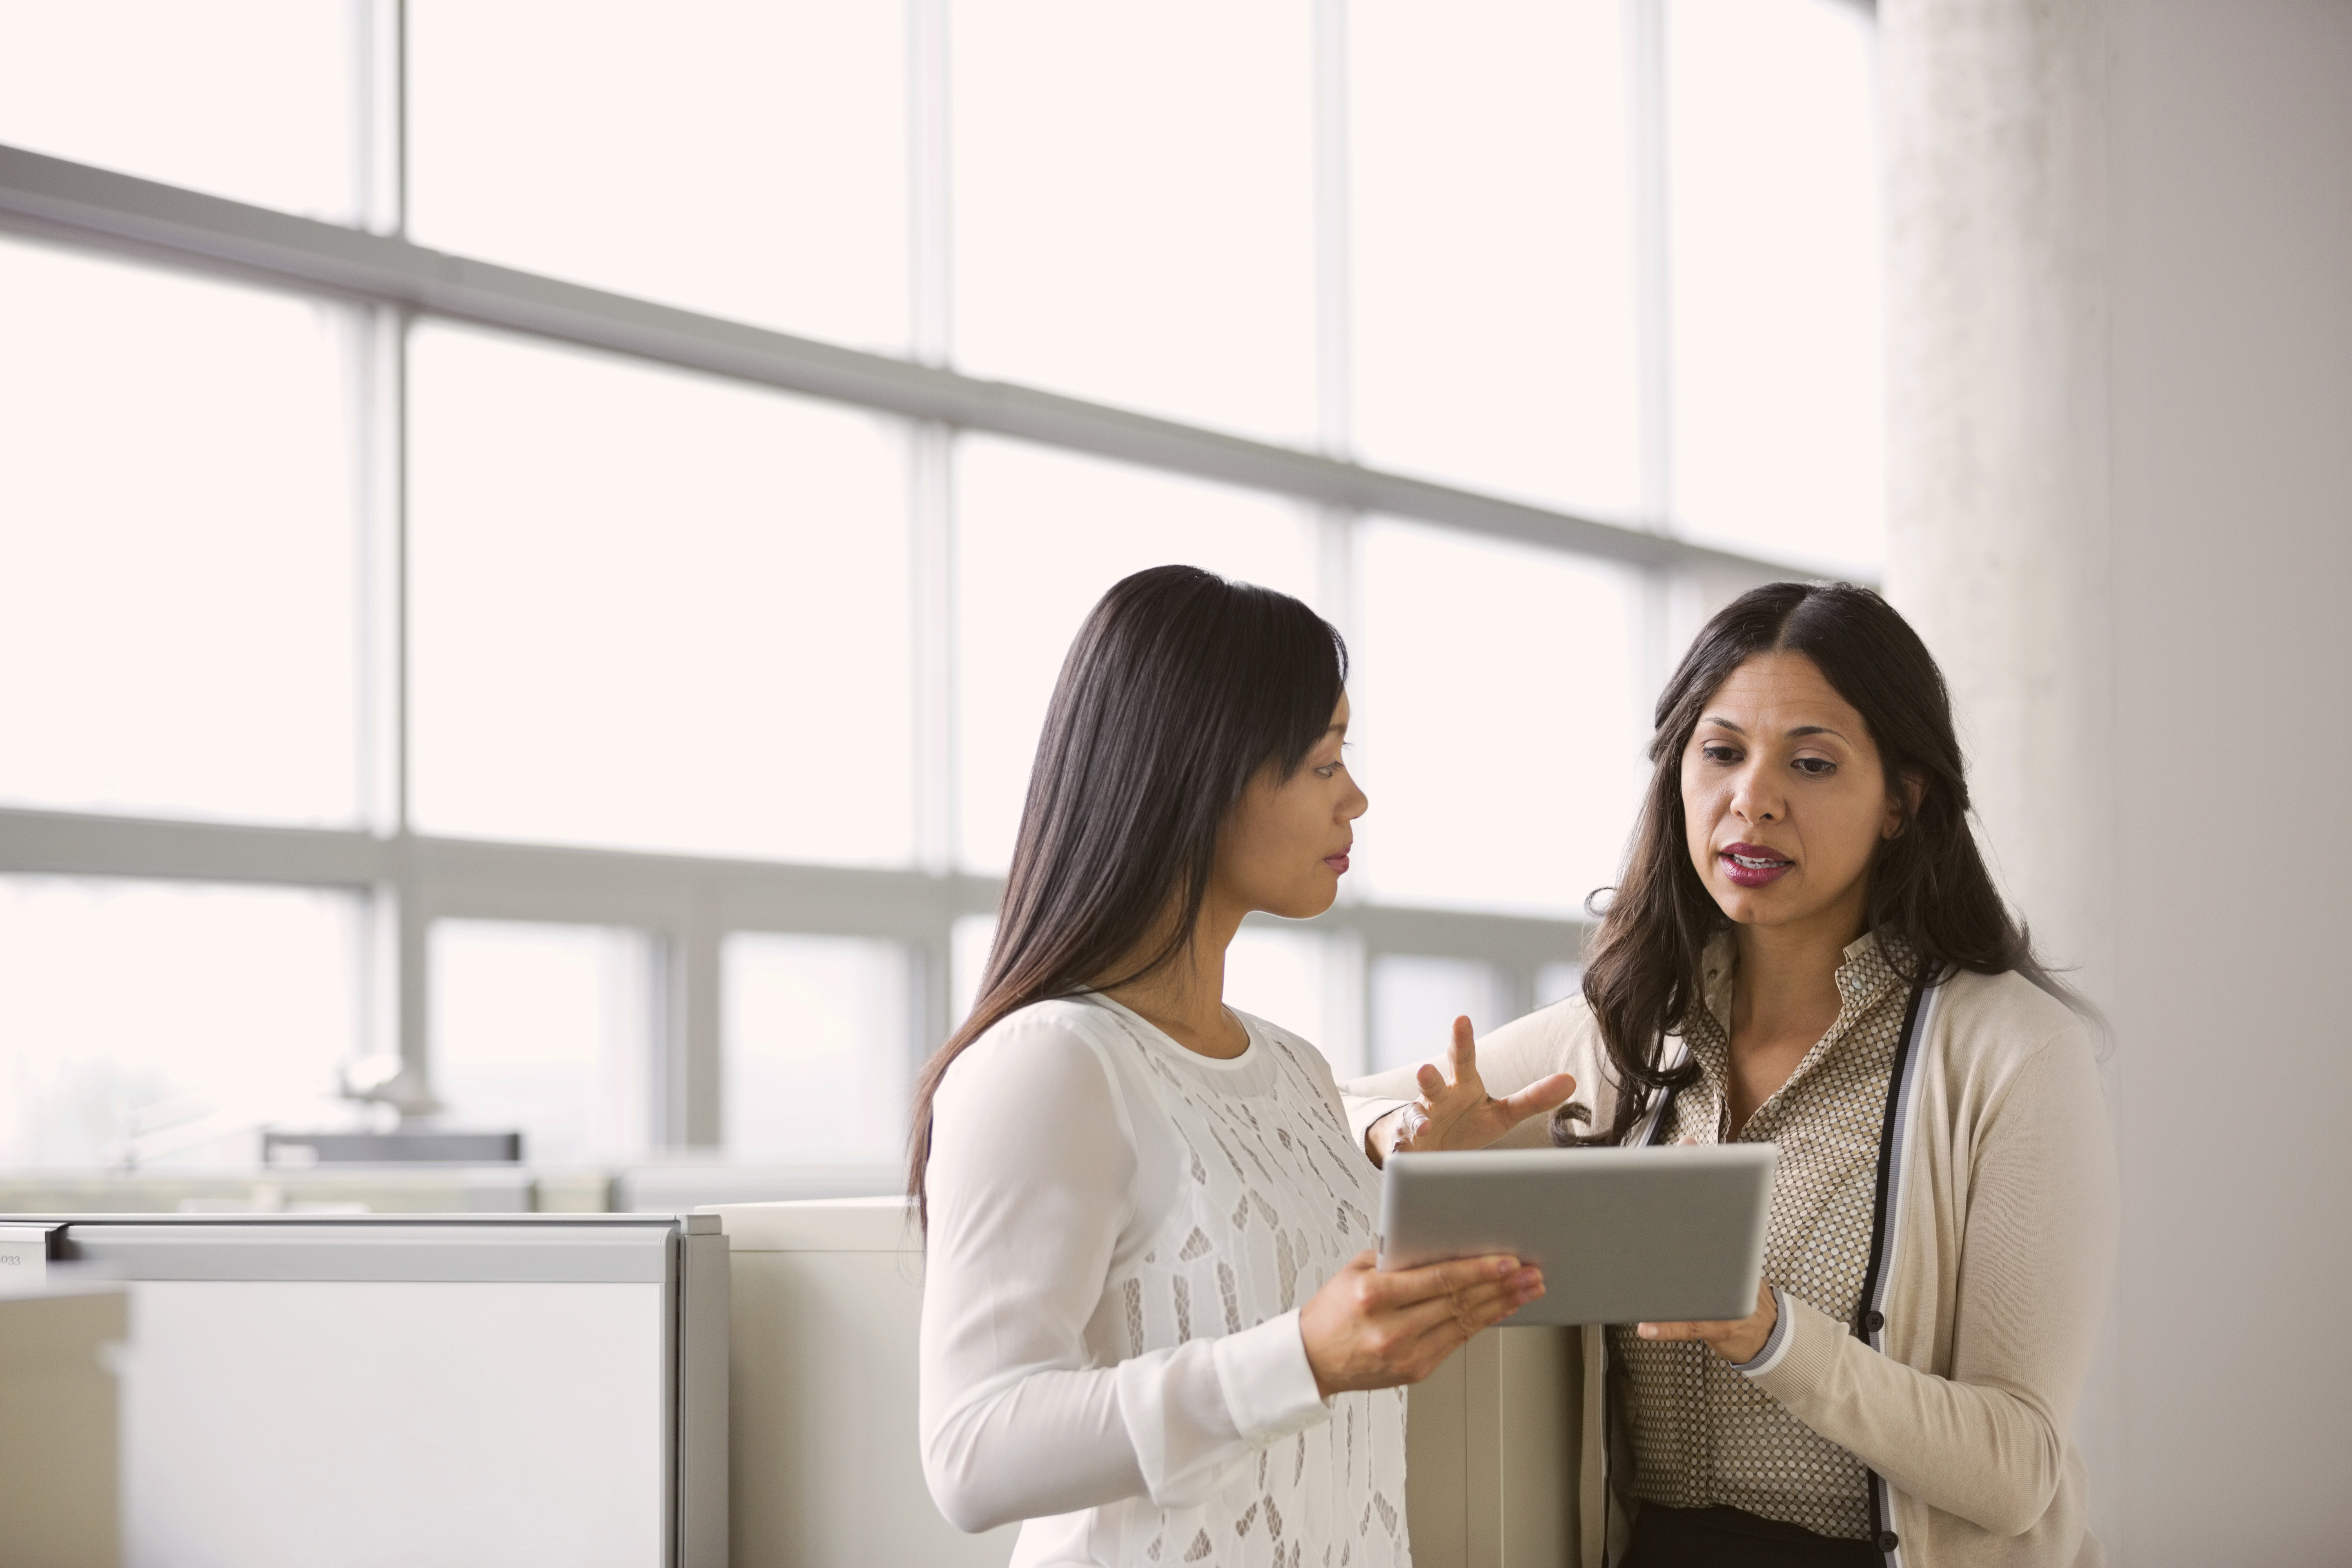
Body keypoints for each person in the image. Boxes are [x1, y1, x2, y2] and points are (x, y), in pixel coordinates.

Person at [1347, 582, 2118, 1568]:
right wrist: (1406, 1137)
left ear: (1902, 802)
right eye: (1721, 753)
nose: (1753, 799)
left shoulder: (2011, 1056)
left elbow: (2018, 1472)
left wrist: (1772, 1337)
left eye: (1811, 762)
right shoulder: (1625, 1037)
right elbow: (1314, 1100)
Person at [912, 565, 1561, 1568]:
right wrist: (1298, 1360)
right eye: (1323, 761)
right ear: (1202, 772)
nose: (1358, 798)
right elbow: (973, 1454)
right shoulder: (1048, 1066)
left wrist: (1430, 1180)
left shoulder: (1296, 1070)